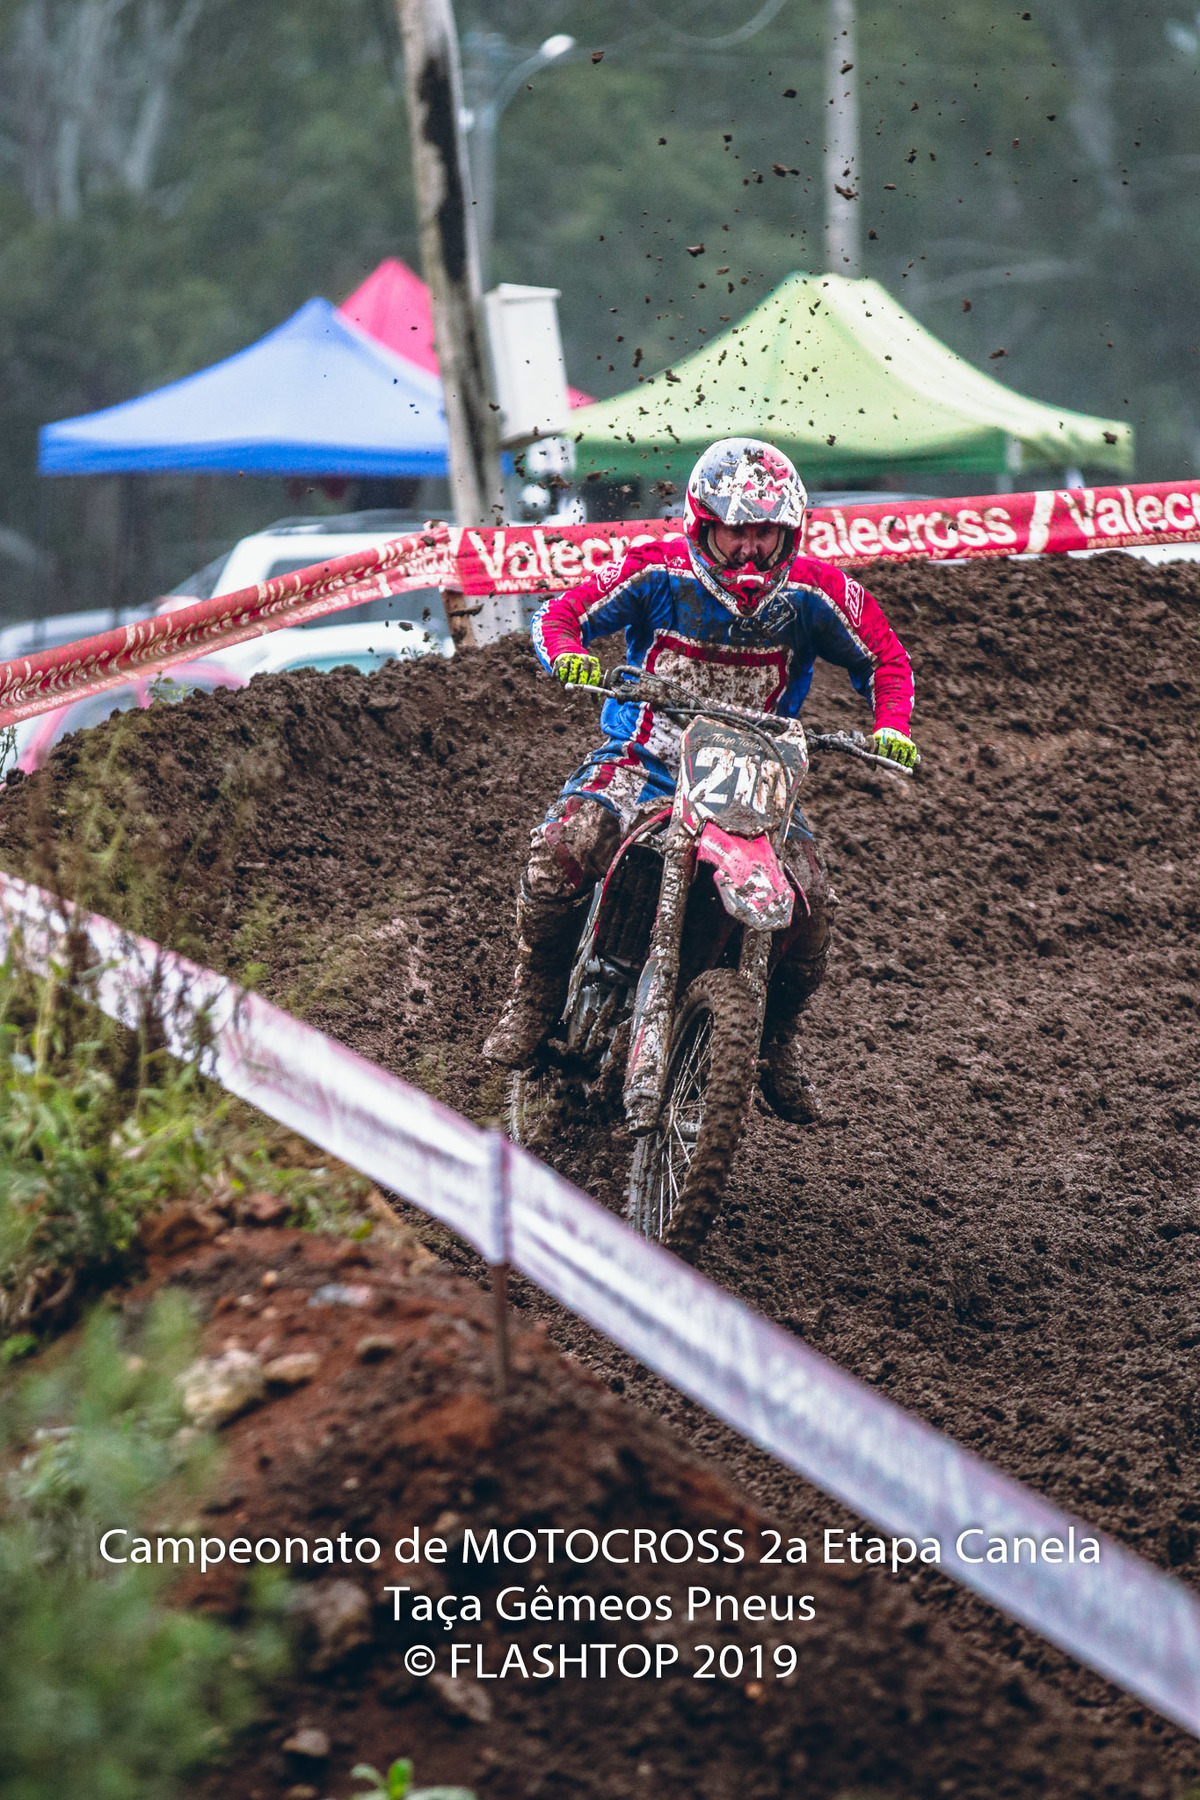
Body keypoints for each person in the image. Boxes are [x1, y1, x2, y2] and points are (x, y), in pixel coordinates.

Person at [483, 437, 917, 1120]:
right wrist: (568, 654)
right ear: (703, 524)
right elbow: (559, 614)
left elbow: (886, 659)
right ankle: (534, 991)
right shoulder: (657, 570)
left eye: (765, 533)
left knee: (809, 908)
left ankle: (775, 1044)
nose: (750, 549)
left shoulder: (816, 591)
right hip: (647, 760)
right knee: (565, 844)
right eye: (736, 531)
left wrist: (892, 724)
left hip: (755, 777)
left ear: (789, 533)